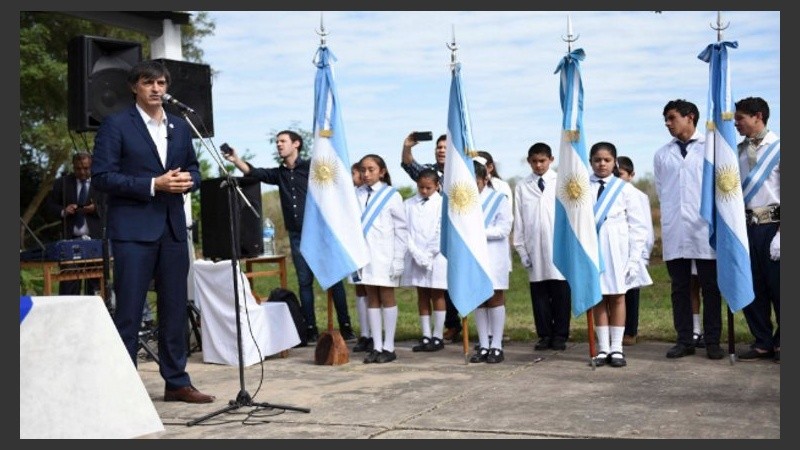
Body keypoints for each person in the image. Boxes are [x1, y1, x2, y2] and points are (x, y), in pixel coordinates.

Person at [91, 60, 214, 403]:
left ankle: (176, 382)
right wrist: (153, 184)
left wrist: (190, 180)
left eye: (161, 83)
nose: (157, 89)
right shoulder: (116, 124)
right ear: (135, 87)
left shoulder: (179, 125)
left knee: (175, 309)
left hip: (173, 229)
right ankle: (123, 388)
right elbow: (101, 177)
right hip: (133, 231)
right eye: (149, 83)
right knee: (129, 310)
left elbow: (193, 168)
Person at [224, 132, 356, 343]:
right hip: (297, 236)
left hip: (320, 234)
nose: (278, 145)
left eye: (282, 141)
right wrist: (236, 160)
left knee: (333, 279)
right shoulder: (280, 174)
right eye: (277, 142)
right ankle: (311, 329)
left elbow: (334, 182)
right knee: (304, 282)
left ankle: (346, 327)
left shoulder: (312, 169)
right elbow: (255, 173)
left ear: (296, 144)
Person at [653, 99, 725, 360]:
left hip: (704, 229)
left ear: (690, 117)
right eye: (666, 119)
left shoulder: (712, 148)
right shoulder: (662, 154)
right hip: (676, 230)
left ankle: (713, 339)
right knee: (680, 288)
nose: (668, 124)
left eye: (672, 118)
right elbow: (662, 191)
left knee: (711, 287)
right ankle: (684, 339)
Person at [588, 143, 649, 368]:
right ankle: (603, 347)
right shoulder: (583, 187)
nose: (601, 164)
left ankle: (617, 347)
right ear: (590, 161)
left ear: (614, 162)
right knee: (599, 297)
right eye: (597, 160)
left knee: (618, 295)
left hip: (618, 249)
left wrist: (634, 259)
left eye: (606, 160)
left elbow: (638, 226)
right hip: (594, 248)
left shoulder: (624, 189)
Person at [400, 132, 461, 341]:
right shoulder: (428, 172)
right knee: (425, 293)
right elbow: (409, 164)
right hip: (418, 246)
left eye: (446, 147)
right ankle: (430, 333)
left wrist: (430, 250)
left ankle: (448, 328)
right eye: (439, 147)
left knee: (444, 289)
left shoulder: (460, 170)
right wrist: (407, 146)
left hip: (443, 243)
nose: (441, 150)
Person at [734, 96, 780, 363]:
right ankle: (762, 340)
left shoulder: (780, 148)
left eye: (740, 118)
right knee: (752, 286)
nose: (736, 124)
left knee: (779, 287)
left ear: (758, 116)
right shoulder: (737, 152)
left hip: (774, 226)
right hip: (745, 227)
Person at [512, 142, 571, 352]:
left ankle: (561, 335)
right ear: (529, 162)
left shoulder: (561, 181)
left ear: (551, 160)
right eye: (534, 161)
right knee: (540, 295)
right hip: (533, 247)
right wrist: (520, 248)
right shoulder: (522, 186)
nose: (538, 165)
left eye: (542, 161)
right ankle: (544, 334)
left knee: (561, 294)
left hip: (558, 247)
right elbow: (518, 220)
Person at [356, 154, 408, 364]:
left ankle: (389, 346)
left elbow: (402, 229)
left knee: (386, 298)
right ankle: (376, 346)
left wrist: (398, 258)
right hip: (364, 255)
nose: (366, 174)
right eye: (363, 170)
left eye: (371, 169)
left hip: (385, 254)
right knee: (372, 299)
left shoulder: (391, 195)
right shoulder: (356, 194)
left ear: (382, 172)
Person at [468, 161, 513, 364]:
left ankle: (496, 345)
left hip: (494, 255)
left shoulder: (499, 199)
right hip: (474, 257)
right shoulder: (464, 201)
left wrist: (478, 233)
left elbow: (503, 229)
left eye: (475, 180)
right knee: (479, 299)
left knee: (494, 297)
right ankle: (483, 344)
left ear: (485, 179)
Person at [402, 168, 447, 353]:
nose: (424, 191)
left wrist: (428, 254)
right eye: (421, 187)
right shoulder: (408, 204)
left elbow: (441, 230)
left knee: (437, 293)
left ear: (437, 186)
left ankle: (438, 335)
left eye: (429, 188)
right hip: (415, 254)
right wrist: (416, 253)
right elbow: (405, 230)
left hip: (436, 255)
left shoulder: (443, 204)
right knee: (422, 293)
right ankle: (426, 334)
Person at [46, 151, 104, 295]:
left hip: (95, 241)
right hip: (71, 241)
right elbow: (49, 206)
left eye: (86, 168)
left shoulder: (101, 182)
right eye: (78, 168)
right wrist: (64, 211)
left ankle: (94, 315)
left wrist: (95, 209)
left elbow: (111, 207)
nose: (82, 172)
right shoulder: (63, 182)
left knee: (95, 285)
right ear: (73, 167)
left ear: (92, 166)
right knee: (68, 284)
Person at [617, 156, 654, 346]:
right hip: (614, 249)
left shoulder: (638, 196)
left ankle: (630, 331)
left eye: (620, 174)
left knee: (631, 293)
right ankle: (615, 329)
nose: (617, 177)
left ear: (631, 175)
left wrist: (643, 255)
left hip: (634, 252)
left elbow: (645, 227)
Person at [350, 162, 372, 352]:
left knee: (373, 291)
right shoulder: (352, 195)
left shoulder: (373, 194)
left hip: (372, 248)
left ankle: (374, 334)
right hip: (355, 248)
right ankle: (364, 334)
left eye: (354, 173)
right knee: (360, 290)